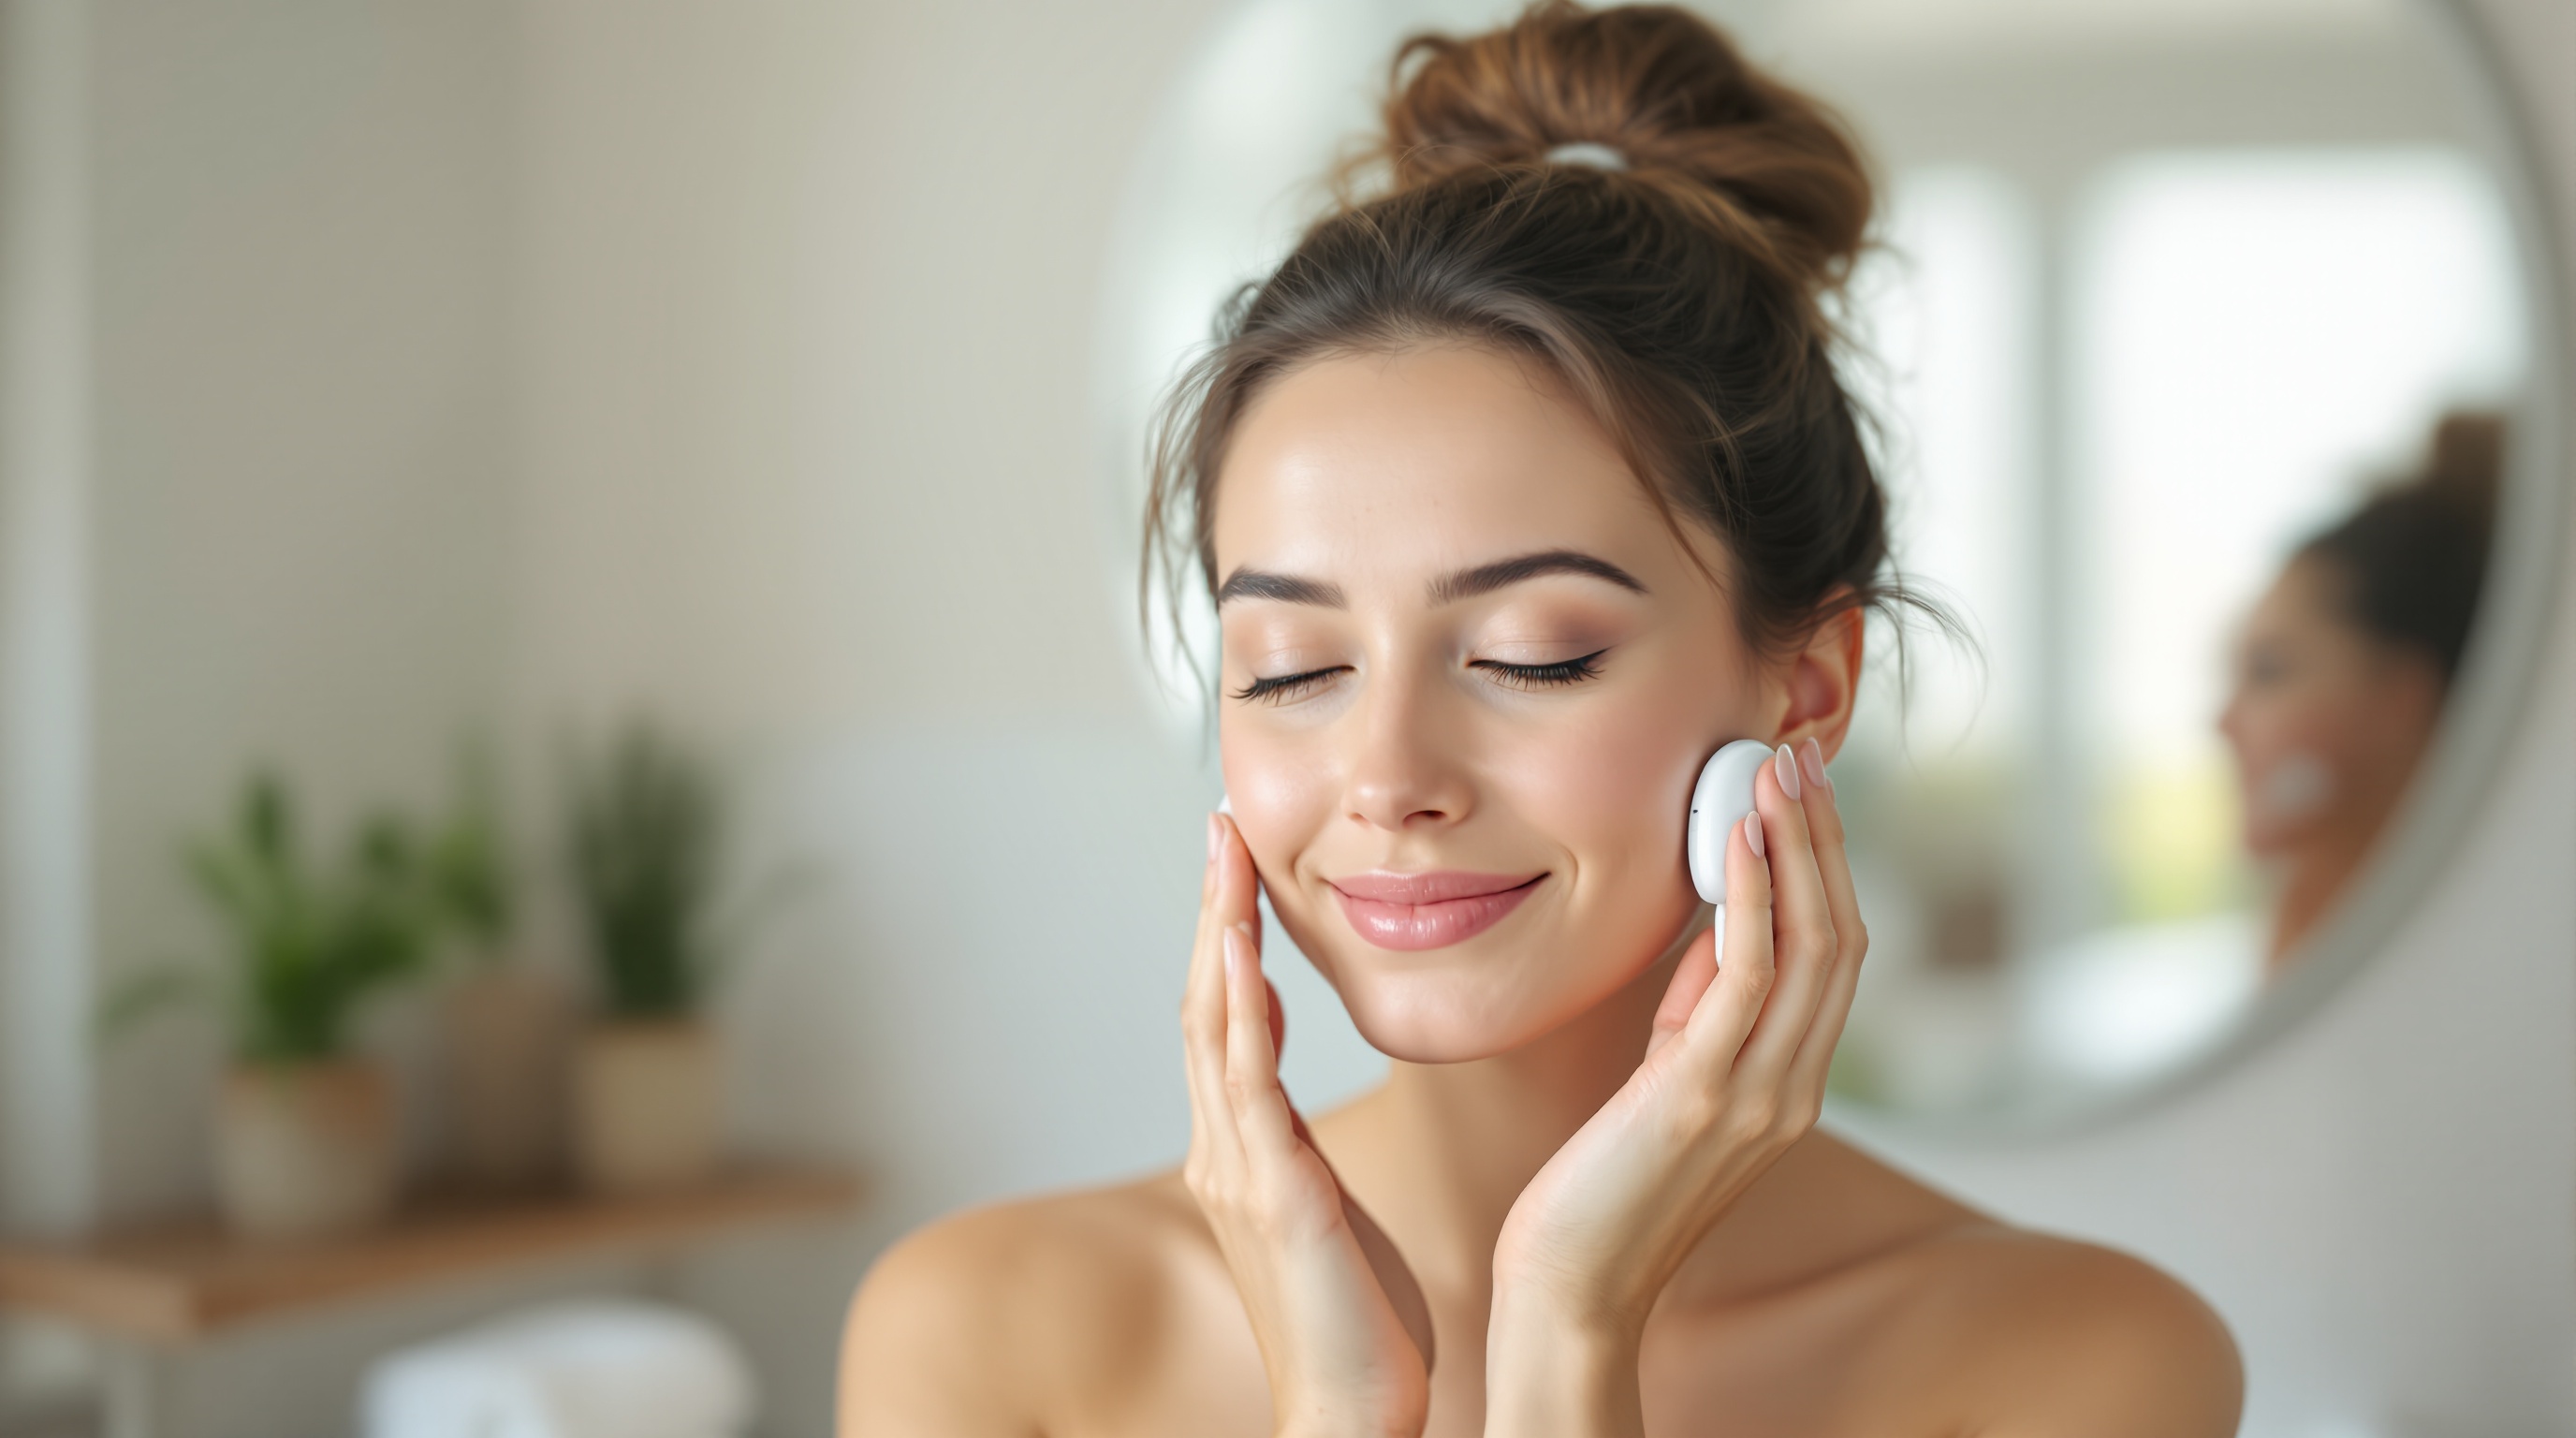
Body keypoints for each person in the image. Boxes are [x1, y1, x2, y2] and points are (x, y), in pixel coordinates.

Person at [842, 5, 2241, 1432]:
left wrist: (1572, 1325)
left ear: (1809, 691)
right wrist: (1338, 1403)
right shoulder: (988, 1335)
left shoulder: (2075, 1366)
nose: (1388, 776)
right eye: (1291, 667)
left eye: (1534, 655)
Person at [2220, 412, 2500, 970]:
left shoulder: (2495, 942)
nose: (2223, 722)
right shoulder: (2308, 917)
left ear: (2404, 694)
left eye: (2269, 672)